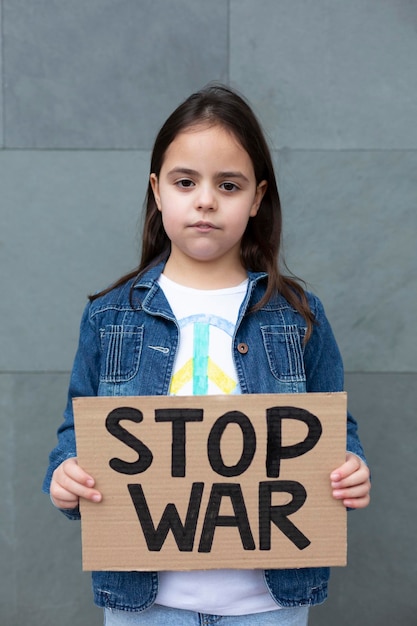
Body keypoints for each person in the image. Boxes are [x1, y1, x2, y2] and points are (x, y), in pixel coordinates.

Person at [43, 84, 370, 626]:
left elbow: (335, 430)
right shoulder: (109, 317)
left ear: (257, 198)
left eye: (229, 185)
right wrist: (66, 477)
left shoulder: (298, 315)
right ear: (157, 190)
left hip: (267, 604)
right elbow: (76, 435)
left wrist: (351, 467)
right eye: (185, 182)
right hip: (146, 604)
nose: (205, 200)